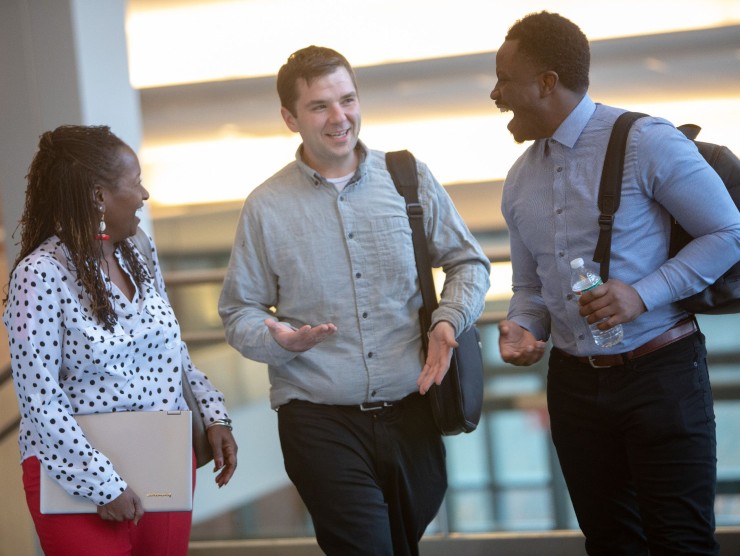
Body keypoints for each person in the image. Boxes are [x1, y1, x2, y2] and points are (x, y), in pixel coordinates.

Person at [218, 45, 490, 555]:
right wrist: (280, 339)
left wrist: (448, 321)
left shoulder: (409, 179)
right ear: (290, 118)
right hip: (318, 417)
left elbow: (468, 262)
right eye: (320, 106)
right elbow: (239, 311)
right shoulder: (266, 207)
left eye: (347, 99)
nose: (339, 117)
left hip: (413, 407)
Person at [492, 11, 740, 556]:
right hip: (574, 385)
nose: (496, 93)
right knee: (609, 544)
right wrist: (521, 325)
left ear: (547, 83)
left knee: (681, 544)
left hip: (662, 374)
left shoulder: (645, 140)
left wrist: (641, 293)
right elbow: (530, 286)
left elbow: (728, 231)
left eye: (504, 80)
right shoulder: (518, 180)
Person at [2, 124, 238, 556]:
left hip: (162, 461)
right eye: (136, 183)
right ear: (99, 196)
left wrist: (214, 415)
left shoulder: (137, 253)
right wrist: (103, 486)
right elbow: (39, 399)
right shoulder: (39, 275)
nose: (145, 195)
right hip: (76, 480)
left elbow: (173, 353)